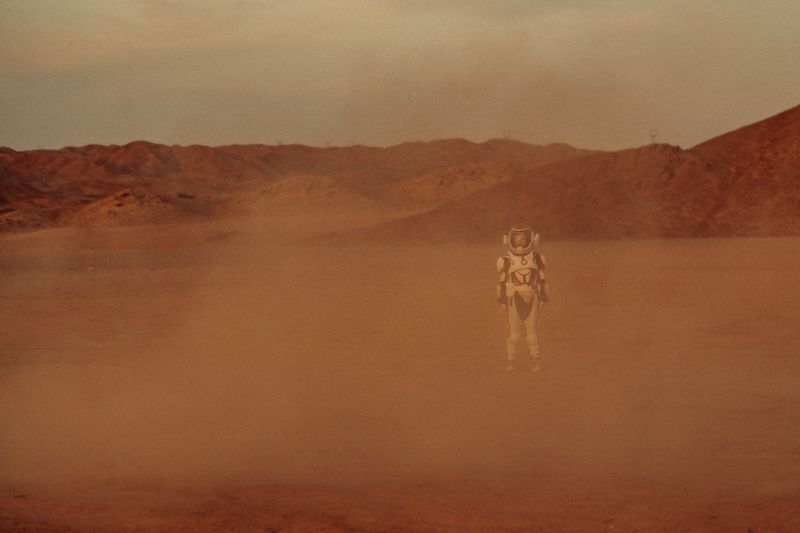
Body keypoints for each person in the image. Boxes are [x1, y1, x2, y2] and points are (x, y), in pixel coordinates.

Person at [496, 224, 549, 372]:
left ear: (530, 239)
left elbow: (542, 279)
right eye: (517, 238)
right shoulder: (505, 260)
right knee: (514, 335)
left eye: (523, 238)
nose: (520, 241)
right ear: (510, 239)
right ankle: (511, 362)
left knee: (532, 335)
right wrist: (501, 301)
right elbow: (501, 282)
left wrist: (544, 297)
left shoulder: (537, 257)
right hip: (514, 298)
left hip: (533, 297)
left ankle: (535, 362)